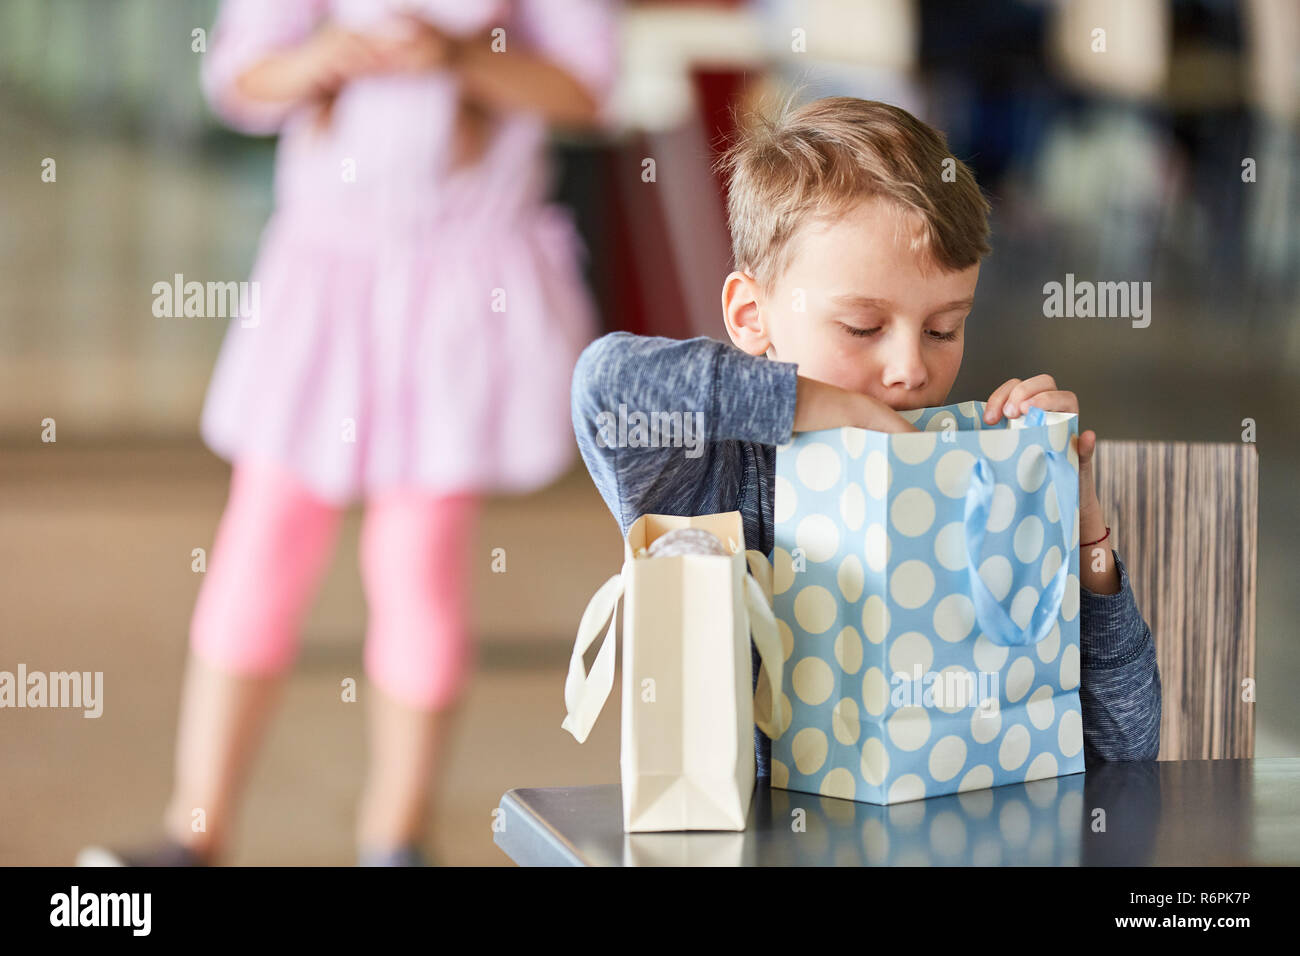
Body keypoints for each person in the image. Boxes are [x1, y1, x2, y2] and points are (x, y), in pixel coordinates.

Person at [77, 0, 618, 867]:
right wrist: (328, 55)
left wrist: (455, 56)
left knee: (419, 568)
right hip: (323, 285)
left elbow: (590, 86)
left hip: (456, 299)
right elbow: (240, 80)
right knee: (259, 550)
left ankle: (394, 838)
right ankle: (197, 833)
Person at [570, 96, 1161, 783]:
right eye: (861, 327)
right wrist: (816, 403)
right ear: (750, 315)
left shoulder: (978, 475)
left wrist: (1076, 529)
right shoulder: (706, 474)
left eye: (943, 329)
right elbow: (605, 383)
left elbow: (1127, 750)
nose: (912, 368)